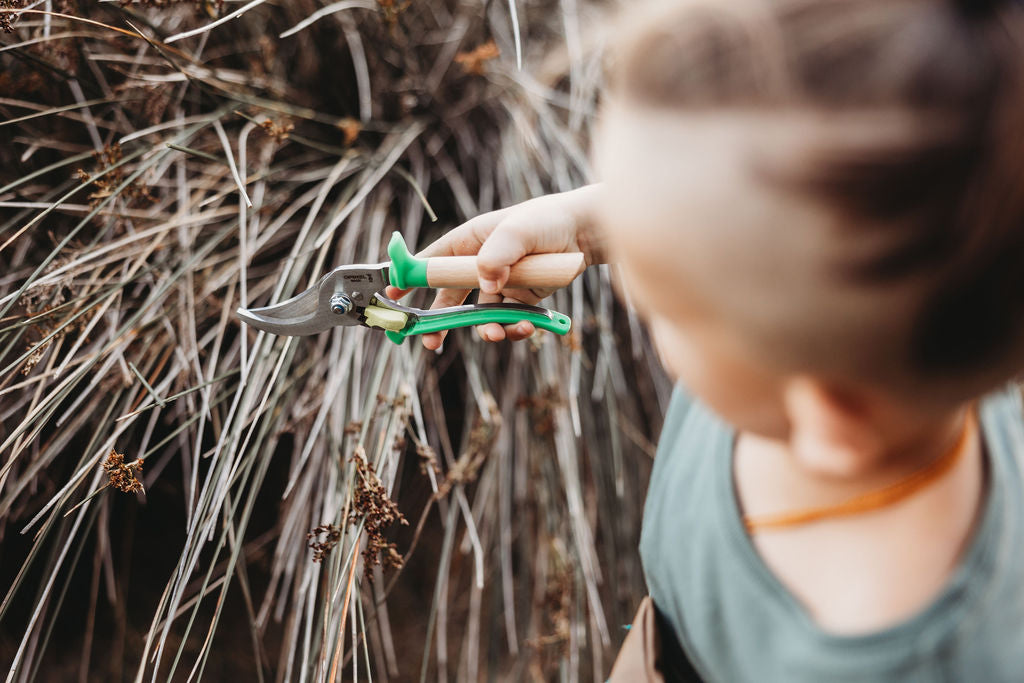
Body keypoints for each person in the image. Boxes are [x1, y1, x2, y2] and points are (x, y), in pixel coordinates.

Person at [390, 0, 1024, 679]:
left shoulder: (896, 659)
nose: (630, 293)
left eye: (669, 308)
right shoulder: (809, 348)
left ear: (833, 416)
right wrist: (584, 222)